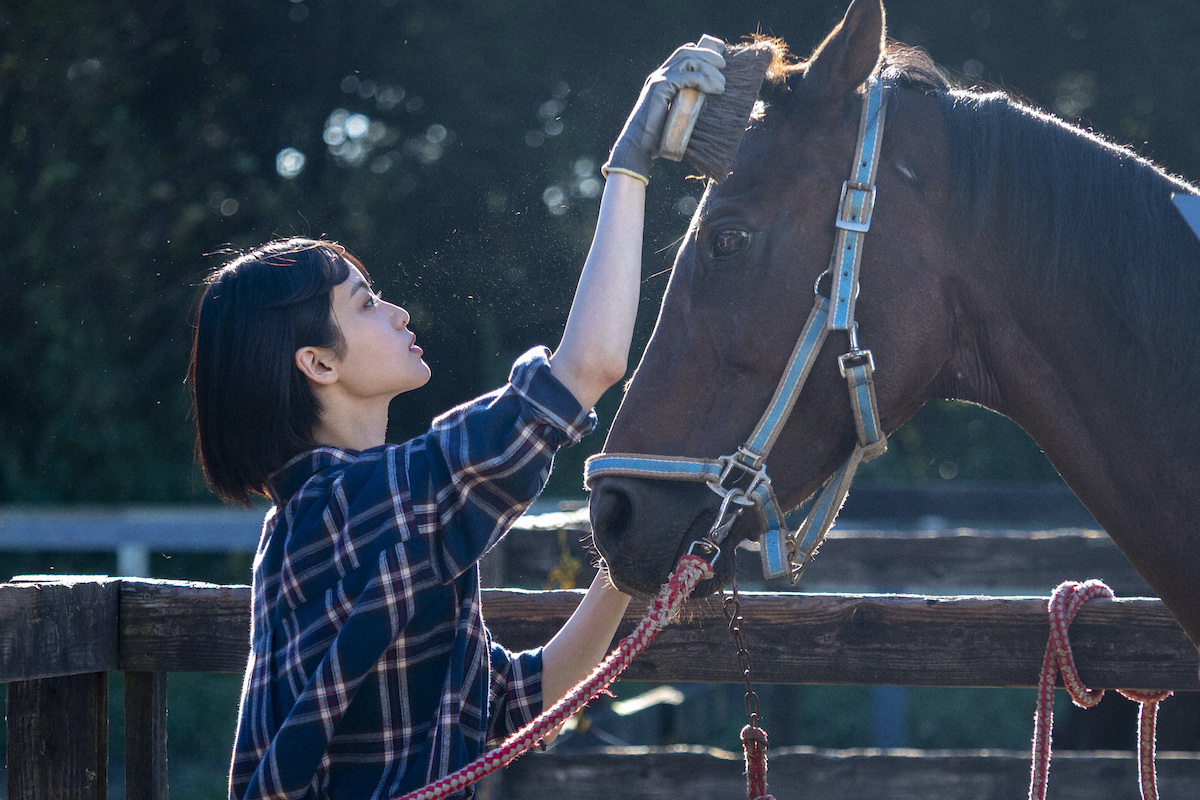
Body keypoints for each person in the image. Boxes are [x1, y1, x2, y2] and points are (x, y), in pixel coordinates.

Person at [188, 43, 726, 800]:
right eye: (367, 303)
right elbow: (589, 365)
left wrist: (626, 569)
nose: (399, 312)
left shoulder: (331, 519)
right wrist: (628, 167)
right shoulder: (357, 505)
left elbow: (513, 702)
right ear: (318, 363)